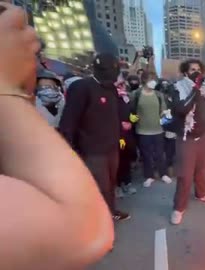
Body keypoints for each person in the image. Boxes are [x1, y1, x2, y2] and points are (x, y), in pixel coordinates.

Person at [0, 3, 113, 268]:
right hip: (88, 152)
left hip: (103, 150)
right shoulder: (80, 91)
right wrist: (6, 85)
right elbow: (85, 230)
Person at [59, 53, 130, 221]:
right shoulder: (82, 87)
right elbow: (68, 121)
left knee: (111, 184)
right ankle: (101, 226)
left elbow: (114, 115)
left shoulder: (112, 89)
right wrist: (70, 150)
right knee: (100, 188)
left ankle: (111, 211)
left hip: (111, 147)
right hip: (92, 150)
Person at [170, 59, 205, 225]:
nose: (196, 72)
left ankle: (202, 193)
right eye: (192, 70)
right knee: (185, 174)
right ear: (185, 72)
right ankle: (179, 207)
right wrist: (195, 90)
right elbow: (182, 109)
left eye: (198, 70)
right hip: (187, 138)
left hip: (203, 136)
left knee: (202, 167)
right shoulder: (178, 88)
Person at [129, 77, 172, 187]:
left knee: (160, 153)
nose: (153, 83)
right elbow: (131, 110)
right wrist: (133, 120)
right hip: (142, 130)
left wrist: (165, 118)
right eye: (150, 80)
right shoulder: (136, 94)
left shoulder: (158, 95)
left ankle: (163, 174)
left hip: (158, 129)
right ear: (145, 81)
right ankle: (149, 176)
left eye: (154, 81)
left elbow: (163, 110)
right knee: (146, 154)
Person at [115, 75, 137, 198]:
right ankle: (117, 186)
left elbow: (134, 114)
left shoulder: (127, 98)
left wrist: (131, 122)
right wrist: (120, 124)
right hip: (118, 136)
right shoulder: (110, 98)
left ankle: (127, 182)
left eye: (123, 84)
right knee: (118, 159)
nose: (122, 86)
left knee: (126, 158)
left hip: (128, 135)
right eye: (119, 84)